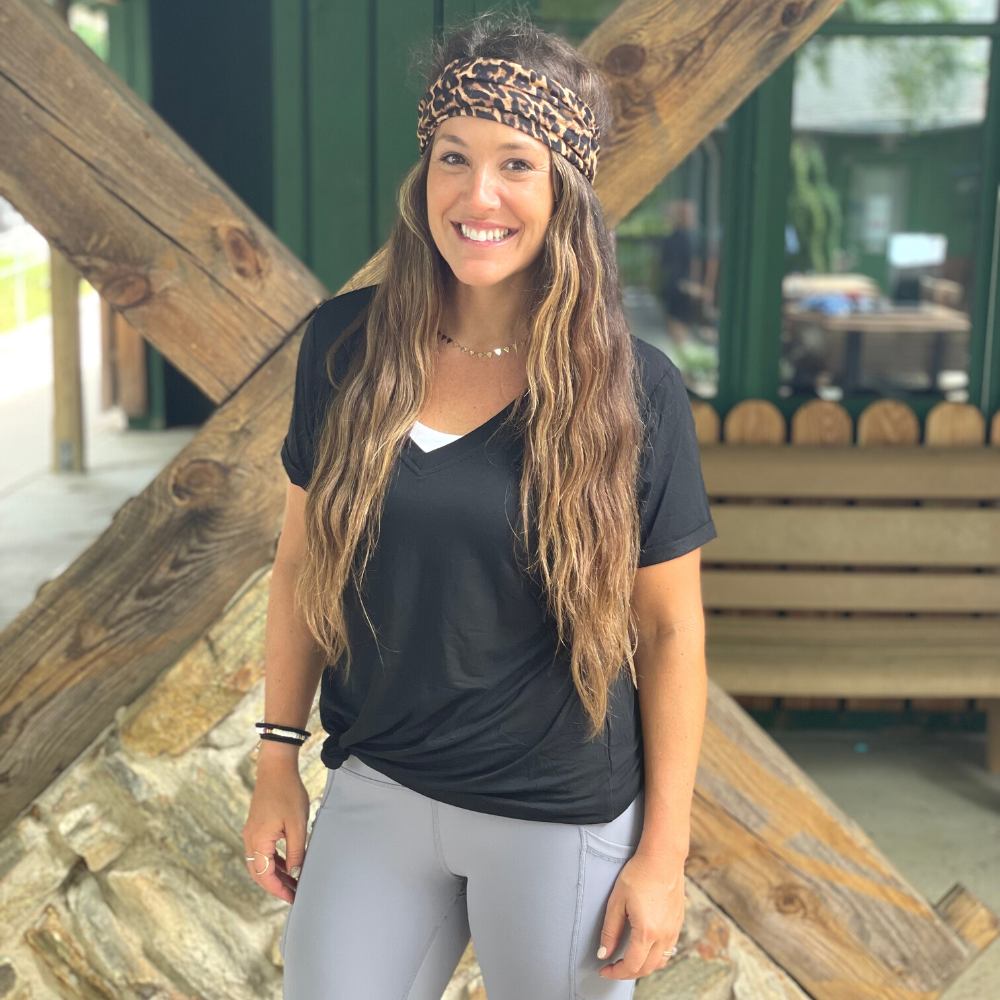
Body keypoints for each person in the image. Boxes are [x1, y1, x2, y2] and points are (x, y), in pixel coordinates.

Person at [242, 12, 716, 1000]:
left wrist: (663, 854)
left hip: (558, 814)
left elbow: (668, 631)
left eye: (516, 165)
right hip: (381, 786)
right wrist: (277, 757)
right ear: (424, 174)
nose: (478, 195)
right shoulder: (345, 347)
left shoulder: (635, 389)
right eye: (453, 157)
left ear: (564, 191)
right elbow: (300, 564)